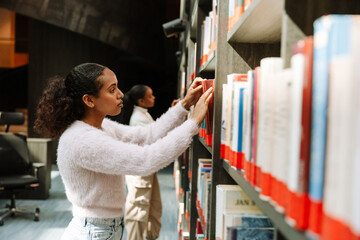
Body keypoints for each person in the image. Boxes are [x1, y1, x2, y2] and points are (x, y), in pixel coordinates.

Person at [33, 63, 212, 240]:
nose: (120, 95)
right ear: (89, 100)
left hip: (102, 227)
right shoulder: (83, 140)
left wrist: (185, 105)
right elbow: (146, 160)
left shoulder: (100, 127)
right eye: (112, 90)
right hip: (95, 232)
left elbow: (147, 135)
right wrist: (193, 123)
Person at [117, 84, 176, 240]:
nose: (154, 97)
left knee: (153, 207)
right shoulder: (138, 119)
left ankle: (149, 236)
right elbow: (156, 138)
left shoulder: (143, 114)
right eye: (150, 96)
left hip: (148, 168)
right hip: (140, 170)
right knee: (139, 208)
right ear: (141, 101)